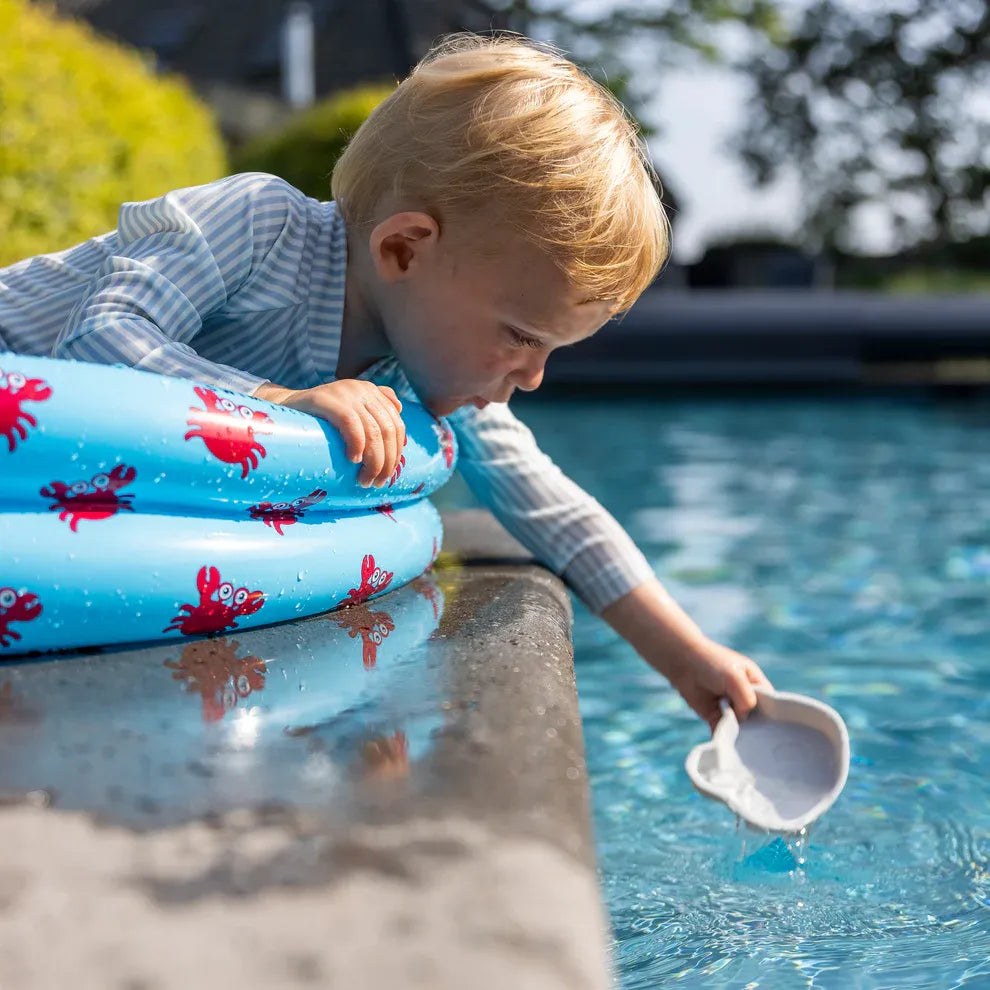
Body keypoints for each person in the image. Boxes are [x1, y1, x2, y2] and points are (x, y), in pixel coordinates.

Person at [0, 32, 771, 730]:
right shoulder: (258, 226)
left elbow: (554, 507)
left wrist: (685, 656)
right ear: (405, 249)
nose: (532, 377)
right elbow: (100, 340)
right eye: (521, 335)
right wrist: (278, 404)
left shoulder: (416, 371)